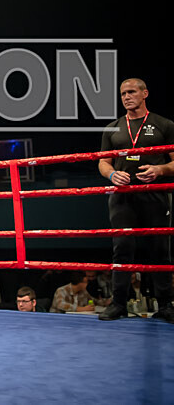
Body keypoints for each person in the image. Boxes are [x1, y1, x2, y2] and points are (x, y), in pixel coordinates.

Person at [98, 78, 174, 322]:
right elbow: (102, 161)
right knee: (122, 250)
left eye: (131, 92)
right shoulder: (112, 128)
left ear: (145, 94)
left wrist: (159, 170)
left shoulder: (164, 125)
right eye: (122, 93)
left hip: (155, 195)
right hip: (122, 197)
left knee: (160, 250)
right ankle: (118, 303)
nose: (126, 97)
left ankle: (165, 305)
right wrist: (111, 174)